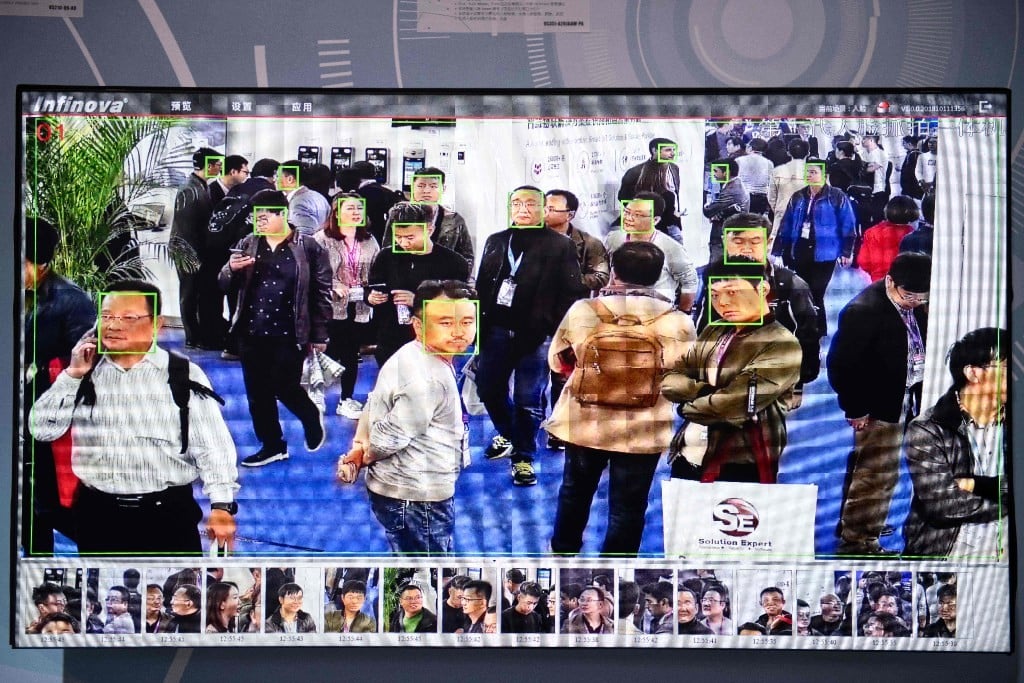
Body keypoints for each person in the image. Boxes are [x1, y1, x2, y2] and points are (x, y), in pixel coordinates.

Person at [28, 280, 239, 554]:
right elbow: (42, 430)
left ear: (156, 324)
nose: (113, 325)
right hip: (98, 515)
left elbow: (212, 446)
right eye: (106, 317)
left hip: (168, 516)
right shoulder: (82, 372)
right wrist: (72, 375)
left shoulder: (183, 374)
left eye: (128, 318)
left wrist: (221, 506)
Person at [546, 242, 695, 556]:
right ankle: (616, 565)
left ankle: (563, 553)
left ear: (614, 272)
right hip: (643, 428)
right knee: (628, 505)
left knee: (575, 492)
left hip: (584, 421)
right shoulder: (677, 321)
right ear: (657, 277)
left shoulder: (584, 310)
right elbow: (684, 379)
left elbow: (556, 362)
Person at [338, 280, 477, 555]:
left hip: (406, 492)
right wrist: (363, 454)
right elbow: (389, 438)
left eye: (467, 321)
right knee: (426, 572)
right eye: (446, 323)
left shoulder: (414, 355)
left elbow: (373, 402)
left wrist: (357, 449)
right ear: (418, 325)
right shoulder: (426, 378)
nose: (460, 332)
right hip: (416, 498)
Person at [474, 185, 583, 485]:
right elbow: (483, 286)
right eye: (517, 203)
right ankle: (513, 435)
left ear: (543, 210)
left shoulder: (560, 245)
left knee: (528, 399)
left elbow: (571, 293)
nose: (523, 209)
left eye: (531, 204)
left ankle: (523, 458)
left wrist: (554, 332)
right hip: (496, 331)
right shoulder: (496, 241)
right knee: (488, 389)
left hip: (536, 335)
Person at [662, 257, 802, 483]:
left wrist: (685, 406)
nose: (723, 302)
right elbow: (670, 380)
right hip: (688, 453)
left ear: (763, 289)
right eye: (715, 295)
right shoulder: (714, 330)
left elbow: (732, 406)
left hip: (741, 460)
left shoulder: (781, 342)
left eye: (733, 292)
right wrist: (707, 392)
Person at [828, 252, 931, 555]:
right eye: (908, 295)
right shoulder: (863, 311)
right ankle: (859, 541)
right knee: (878, 475)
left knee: (869, 469)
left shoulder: (917, 304)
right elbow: (841, 365)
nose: (915, 302)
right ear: (890, 281)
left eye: (921, 297)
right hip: (877, 404)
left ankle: (856, 523)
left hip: (905, 396)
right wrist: (856, 408)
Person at [220, 190, 332, 467]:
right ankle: (272, 445)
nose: (258, 221)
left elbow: (321, 292)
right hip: (251, 330)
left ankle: (309, 415)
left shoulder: (308, 247)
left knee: (285, 385)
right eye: (255, 216)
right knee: (257, 393)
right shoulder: (247, 243)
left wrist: (319, 334)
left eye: (264, 216)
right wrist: (230, 270)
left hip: (290, 331)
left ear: (282, 215)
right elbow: (222, 284)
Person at [22, 217, 95, 552]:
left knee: (49, 505)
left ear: (40, 264)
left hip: (48, 422)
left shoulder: (71, 301)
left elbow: (85, 368)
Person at [903, 327, 1009, 559]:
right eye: (1007, 367)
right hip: (948, 552)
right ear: (973, 373)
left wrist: (976, 485)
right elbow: (944, 504)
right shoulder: (927, 428)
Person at [694, 213, 820, 405]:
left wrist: (799, 383)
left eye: (754, 242)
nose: (745, 250)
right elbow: (703, 328)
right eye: (737, 241)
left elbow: (807, 336)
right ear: (724, 241)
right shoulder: (710, 278)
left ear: (768, 242)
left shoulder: (790, 284)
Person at [367, 202, 470, 367]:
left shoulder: (454, 263)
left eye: (410, 237)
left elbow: (459, 306)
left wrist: (419, 301)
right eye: (398, 237)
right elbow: (373, 286)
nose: (404, 243)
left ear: (429, 230)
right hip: (391, 339)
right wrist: (371, 297)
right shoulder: (386, 257)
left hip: (433, 340)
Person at [771, 158, 857, 334]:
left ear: (824, 175)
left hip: (825, 252)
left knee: (816, 290)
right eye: (807, 172)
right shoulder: (798, 196)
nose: (809, 175)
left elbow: (848, 224)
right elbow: (786, 224)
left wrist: (847, 250)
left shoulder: (836, 196)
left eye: (814, 172)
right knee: (803, 289)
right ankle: (813, 327)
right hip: (800, 250)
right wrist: (778, 250)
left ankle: (814, 328)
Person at [314, 192, 381, 418]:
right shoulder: (321, 239)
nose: (356, 213)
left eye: (359, 209)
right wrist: (333, 284)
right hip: (330, 305)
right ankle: (315, 394)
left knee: (351, 354)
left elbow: (377, 270)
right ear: (336, 213)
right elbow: (313, 271)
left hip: (359, 304)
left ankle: (346, 399)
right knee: (328, 352)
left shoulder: (369, 239)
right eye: (350, 209)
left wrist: (371, 291)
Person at [604, 192, 698, 312]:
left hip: (657, 312)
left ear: (655, 220)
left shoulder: (670, 247)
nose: (628, 218)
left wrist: (683, 312)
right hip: (619, 310)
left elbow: (689, 281)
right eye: (626, 212)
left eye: (637, 215)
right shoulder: (614, 239)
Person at [171, 147, 218, 349]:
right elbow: (188, 228)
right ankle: (192, 336)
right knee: (189, 293)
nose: (219, 168)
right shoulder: (189, 190)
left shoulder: (201, 186)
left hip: (194, 249)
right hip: (187, 251)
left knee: (196, 292)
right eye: (217, 164)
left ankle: (199, 334)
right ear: (208, 165)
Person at [383, 167, 474, 268]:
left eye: (433, 186)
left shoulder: (454, 220)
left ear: (443, 189)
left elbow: (467, 256)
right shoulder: (398, 214)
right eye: (421, 186)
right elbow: (387, 247)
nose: (426, 191)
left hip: (441, 277)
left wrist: (454, 280)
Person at [618, 137, 684, 239]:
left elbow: (674, 193)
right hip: (647, 224)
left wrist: (675, 215)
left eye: (673, 150)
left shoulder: (675, 168)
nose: (672, 153)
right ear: (654, 150)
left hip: (671, 222)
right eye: (668, 150)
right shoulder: (636, 172)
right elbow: (624, 197)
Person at [856, 196, 920, 282]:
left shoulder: (871, 232)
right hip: (905, 284)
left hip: (878, 282)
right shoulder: (912, 234)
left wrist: (875, 272)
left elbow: (863, 261)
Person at [704, 157, 750, 263]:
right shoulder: (734, 184)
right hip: (731, 231)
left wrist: (707, 207)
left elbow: (709, 211)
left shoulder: (732, 189)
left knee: (717, 265)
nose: (713, 174)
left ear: (726, 172)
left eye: (715, 171)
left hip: (726, 233)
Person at [276, 160, 331, 236]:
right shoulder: (318, 196)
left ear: (290, 179)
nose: (275, 180)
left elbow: (304, 237)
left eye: (278, 176)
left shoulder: (298, 203)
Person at [768, 138, 809, 239]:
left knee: (778, 248)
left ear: (788, 153)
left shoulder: (777, 171)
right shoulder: (815, 172)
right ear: (808, 153)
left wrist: (779, 209)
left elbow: (771, 197)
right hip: (807, 216)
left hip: (782, 213)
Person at [736, 138, 774, 215]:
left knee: (740, 223)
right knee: (755, 224)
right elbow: (770, 183)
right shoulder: (769, 163)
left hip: (743, 197)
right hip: (761, 199)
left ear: (750, 148)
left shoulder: (739, 160)